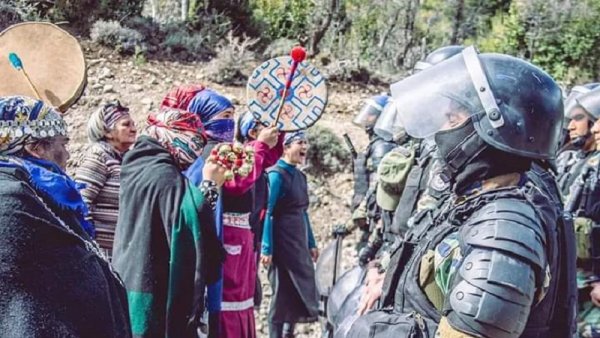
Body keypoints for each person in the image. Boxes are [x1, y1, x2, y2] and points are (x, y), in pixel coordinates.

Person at [347, 47, 576, 338]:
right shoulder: (472, 201)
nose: (442, 130)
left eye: (453, 120)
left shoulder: (503, 229)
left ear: (495, 131)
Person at [0, 95, 131, 337]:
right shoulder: (11, 200)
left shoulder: (37, 191)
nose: (68, 155)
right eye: (63, 144)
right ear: (35, 148)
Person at [164, 85, 282, 338]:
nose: (230, 122)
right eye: (225, 116)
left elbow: (260, 164)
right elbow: (239, 179)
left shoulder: (227, 150)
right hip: (225, 243)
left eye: (232, 116)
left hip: (240, 246)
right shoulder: (208, 153)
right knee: (226, 304)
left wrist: (269, 141)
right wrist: (260, 146)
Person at [112, 108, 226, 338]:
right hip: (153, 282)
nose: (195, 150)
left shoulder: (138, 165)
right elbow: (188, 219)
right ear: (171, 135)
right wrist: (211, 185)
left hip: (130, 273)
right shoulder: (162, 175)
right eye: (192, 140)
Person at [261, 131, 319, 338]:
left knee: (298, 289)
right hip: (281, 241)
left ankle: (288, 333)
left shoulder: (300, 176)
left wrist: (311, 243)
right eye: (299, 143)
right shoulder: (275, 175)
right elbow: (267, 211)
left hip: (298, 241)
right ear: (286, 147)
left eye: (306, 142)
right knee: (280, 293)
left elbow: (303, 212)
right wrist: (266, 247)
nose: (304, 147)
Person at [558, 87, 600, 338]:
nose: (571, 126)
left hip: (591, 282)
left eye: (578, 118)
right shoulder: (574, 161)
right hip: (574, 275)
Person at [76, 100, 137, 258]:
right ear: (107, 131)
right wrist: (90, 242)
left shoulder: (123, 159)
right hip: (101, 251)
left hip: (119, 248)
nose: (134, 129)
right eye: (126, 125)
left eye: (133, 124)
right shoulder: (99, 156)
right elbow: (81, 200)